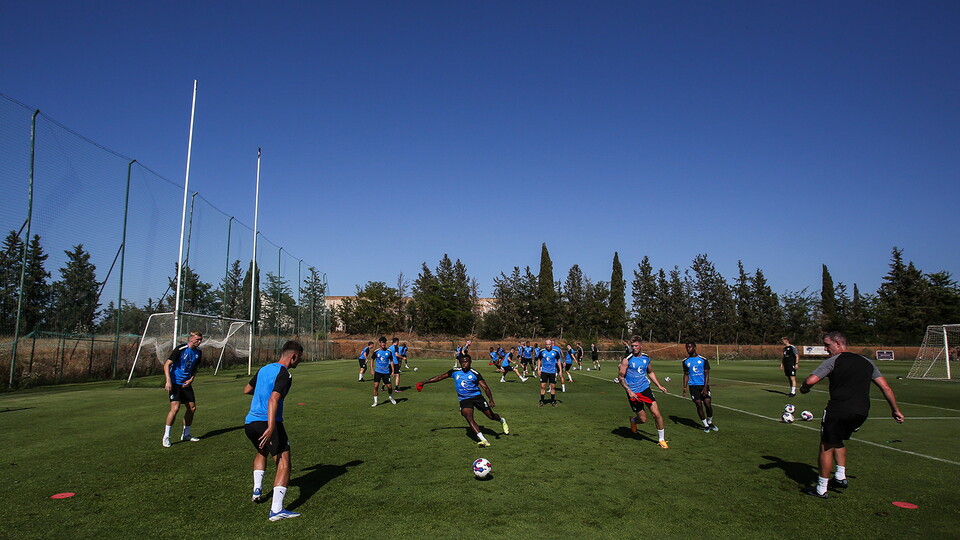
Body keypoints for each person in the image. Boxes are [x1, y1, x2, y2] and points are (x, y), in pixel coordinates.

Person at [799, 331, 904, 499]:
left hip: (839, 410)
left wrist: (804, 388)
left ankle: (820, 489)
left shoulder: (834, 360)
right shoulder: (867, 362)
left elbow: (810, 381)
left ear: (839, 344)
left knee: (826, 446)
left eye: (827, 345)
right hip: (862, 412)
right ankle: (840, 476)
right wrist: (895, 410)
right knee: (838, 440)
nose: (826, 349)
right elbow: (886, 388)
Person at [243, 340, 304, 521]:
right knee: (284, 462)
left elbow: (247, 389)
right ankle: (276, 510)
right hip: (266, 422)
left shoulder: (264, 369)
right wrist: (271, 426)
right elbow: (273, 400)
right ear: (293, 356)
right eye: (299, 357)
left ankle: (257, 490)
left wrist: (263, 391)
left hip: (250, 423)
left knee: (262, 450)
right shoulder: (285, 374)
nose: (299, 361)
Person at [416, 354, 510, 447]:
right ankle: (483, 440)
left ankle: (502, 420)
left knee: (491, 416)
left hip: (477, 397)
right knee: (469, 417)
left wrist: (491, 400)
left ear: (470, 362)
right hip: (464, 399)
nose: (465, 364)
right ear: (460, 363)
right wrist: (424, 382)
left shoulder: (475, 373)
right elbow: (439, 377)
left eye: (467, 362)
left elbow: (485, 387)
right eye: (462, 362)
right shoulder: (455, 371)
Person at [619, 337, 669, 449]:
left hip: (645, 389)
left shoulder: (646, 358)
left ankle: (661, 440)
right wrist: (629, 391)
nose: (634, 348)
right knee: (643, 419)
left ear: (641, 345)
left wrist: (659, 385)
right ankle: (633, 420)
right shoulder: (627, 359)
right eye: (632, 346)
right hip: (633, 392)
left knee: (656, 414)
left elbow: (650, 372)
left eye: (636, 346)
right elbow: (621, 377)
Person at [162, 330, 203, 447]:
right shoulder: (180, 349)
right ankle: (166, 436)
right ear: (191, 339)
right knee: (175, 409)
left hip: (186, 384)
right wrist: (168, 381)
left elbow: (194, 368)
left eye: (200, 340)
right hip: (175, 383)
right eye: (197, 340)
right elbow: (167, 365)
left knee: (192, 408)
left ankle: (186, 434)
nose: (199, 342)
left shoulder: (199, 352)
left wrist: (191, 379)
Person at [680, 343, 717, 432]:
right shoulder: (685, 361)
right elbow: (686, 374)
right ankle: (705, 425)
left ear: (694, 348)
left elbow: (707, 374)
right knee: (699, 405)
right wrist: (685, 387)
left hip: (703, 385)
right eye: (687, 347)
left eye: (690, 347)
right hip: (693, 386)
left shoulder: (703, 359)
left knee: (708, 405)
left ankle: (710, 422)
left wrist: (705, 387)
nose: (688, 349)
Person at [370, 337, 398, 407]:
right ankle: (375, 402)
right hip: (378, 372)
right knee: (376, 386)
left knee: (389, 387)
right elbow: (372, 359)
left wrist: (393, 371)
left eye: (384, 342)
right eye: (382, 342)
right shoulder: (376, 352)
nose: (383, 344)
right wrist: (371, 369)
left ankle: (390, 397)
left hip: (386, 372)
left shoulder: (389, 352)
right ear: (379, 343)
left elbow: (391, 361)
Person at [536, 339, 563, 406]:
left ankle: (553, 401)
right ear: (545, 344)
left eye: (549, 344)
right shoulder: (542, 351)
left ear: (551, 344)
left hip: (552, 371)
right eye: (547, 344)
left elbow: (558, 361)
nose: (548, 346)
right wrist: (538, 369)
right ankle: (542, 401)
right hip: (544, 371)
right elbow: (539, 359)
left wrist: (560, 370)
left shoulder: (555, 352)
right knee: (543, 386)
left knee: (553, 387)